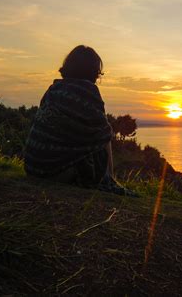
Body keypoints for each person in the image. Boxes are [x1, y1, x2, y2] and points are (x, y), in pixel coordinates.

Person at [24, 45, 135, 196]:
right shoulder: (88, 92)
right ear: (93, 72)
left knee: (101, 131)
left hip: (32, 168)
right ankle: (111, 180)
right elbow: (103, 135)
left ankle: (109, 179)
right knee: (104, 132)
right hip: (55, 172)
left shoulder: (53, 89)